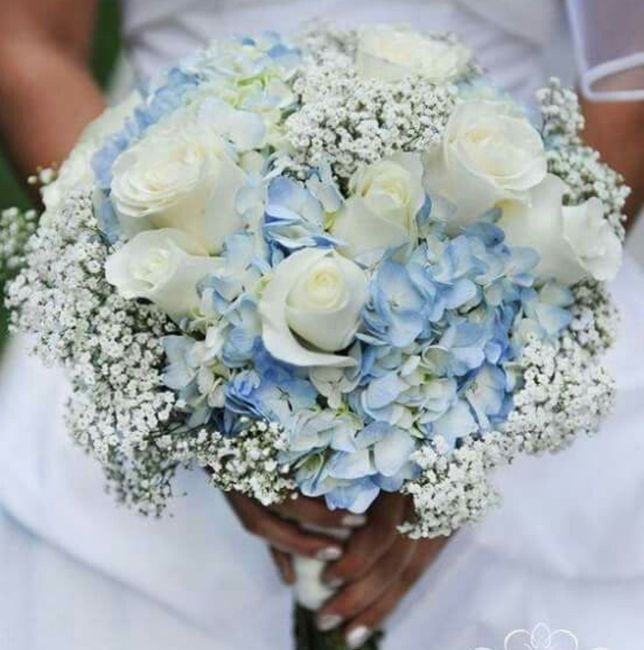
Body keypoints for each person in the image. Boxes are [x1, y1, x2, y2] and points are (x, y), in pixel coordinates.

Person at [0, 1, 643, 649]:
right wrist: (190, 355)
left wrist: (466, 394)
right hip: (159, 311)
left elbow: (630, 83)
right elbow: (28, 45)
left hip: (517, 315)